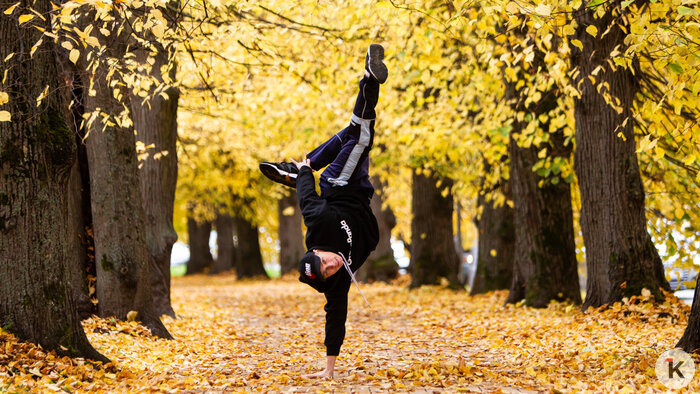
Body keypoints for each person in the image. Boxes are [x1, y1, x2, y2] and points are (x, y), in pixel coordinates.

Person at [259, 44, 387, 379]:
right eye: (331, 271)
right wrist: (329, 371)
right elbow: (335, 319)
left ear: (316, 252)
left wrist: (304, 174)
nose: (333, 265)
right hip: (359, 198)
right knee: (354, 132)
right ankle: (366, 80)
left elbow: (307, 197)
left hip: (336, 188)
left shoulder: (318, 223)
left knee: (361, 135)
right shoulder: (337, 280)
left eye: (326, 263)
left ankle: (368, 83)